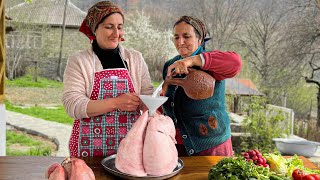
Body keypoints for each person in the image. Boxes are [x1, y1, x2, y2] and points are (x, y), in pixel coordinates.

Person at [62, 1, 154, 157]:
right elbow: (73, 104)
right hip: (89, 152)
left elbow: (148, 95)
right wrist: (116, 103)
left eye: (119, 27)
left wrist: (152, 104)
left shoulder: (135, 59)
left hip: (131, 150)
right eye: (109, 27)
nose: (116, 33)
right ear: (94, 29)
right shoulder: (79, 61)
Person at [162, 15, 242, 156]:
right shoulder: (170, 65)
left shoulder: (210, 62)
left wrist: (192, 60)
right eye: (176, 37)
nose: (180, 42)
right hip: (176, 146)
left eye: (186, 36)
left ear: (199, 39)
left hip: (211, 147)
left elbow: (236, 63)